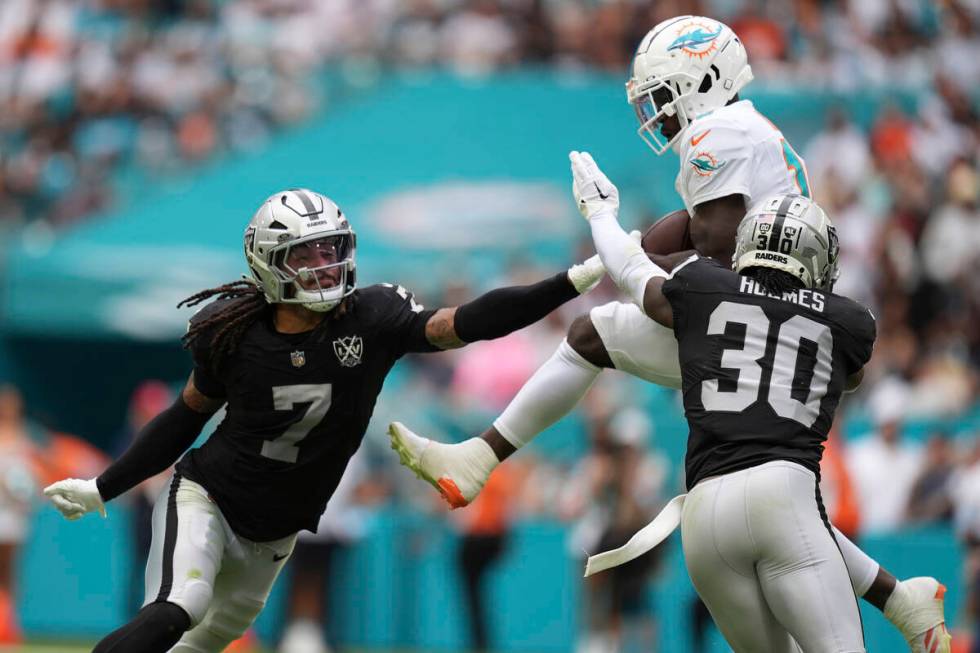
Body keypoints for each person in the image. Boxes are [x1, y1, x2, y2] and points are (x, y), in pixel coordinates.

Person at [387, 15, 950, 653]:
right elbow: (695, 229)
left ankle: (481, 456)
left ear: (705, 79)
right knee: (759, 471)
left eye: (663, 93)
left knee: (597, 333)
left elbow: (705, 245)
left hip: (759, 323)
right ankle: (899, 598)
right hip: (786, 328)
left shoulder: (722, 131)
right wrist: (640, 249)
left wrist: (620, 244)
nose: (657, 111)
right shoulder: (747, 133)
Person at [41, 187, 610, 653]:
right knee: (176, 610)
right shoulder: (233, 334)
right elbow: (182, 419)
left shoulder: (374, 316)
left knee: (204, 641)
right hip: (208, 499)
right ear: (268, 262)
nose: (324, 264)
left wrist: (564, 285)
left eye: (330, 248)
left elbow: (469, 321)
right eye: (306, 254)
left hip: (277, 532)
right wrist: (105, 487)